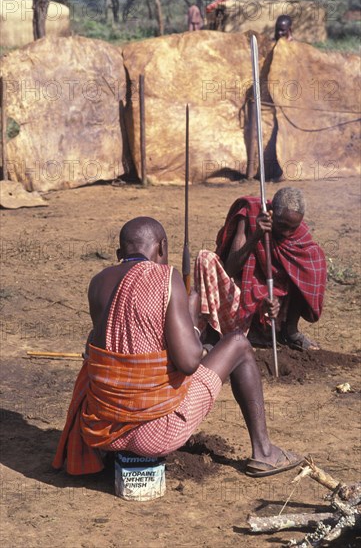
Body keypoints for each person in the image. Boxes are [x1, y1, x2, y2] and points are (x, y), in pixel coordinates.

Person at [53, 216, 302, 478]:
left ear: (119, 254)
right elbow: (188, 362)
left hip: (102, 430)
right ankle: (264, 453)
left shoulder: (97, 282)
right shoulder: (166, 277)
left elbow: (119, 345)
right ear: (162, 248)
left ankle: (117, 448)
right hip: (156, 434)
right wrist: (193, 322)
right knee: (238, 343)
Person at [195, 188, 327, 350]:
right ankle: (213, 334)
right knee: (205, 258)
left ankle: (290, 331)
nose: (287, 233)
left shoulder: (300, 237)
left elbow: (299, 278)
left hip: (273, 310)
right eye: (282, 225)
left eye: (292, 227)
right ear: (270, 213)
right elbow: (230, 268)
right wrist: (256, 234)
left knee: (311, 259)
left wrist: (272, 298)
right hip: (238, 302)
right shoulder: (250, 215)